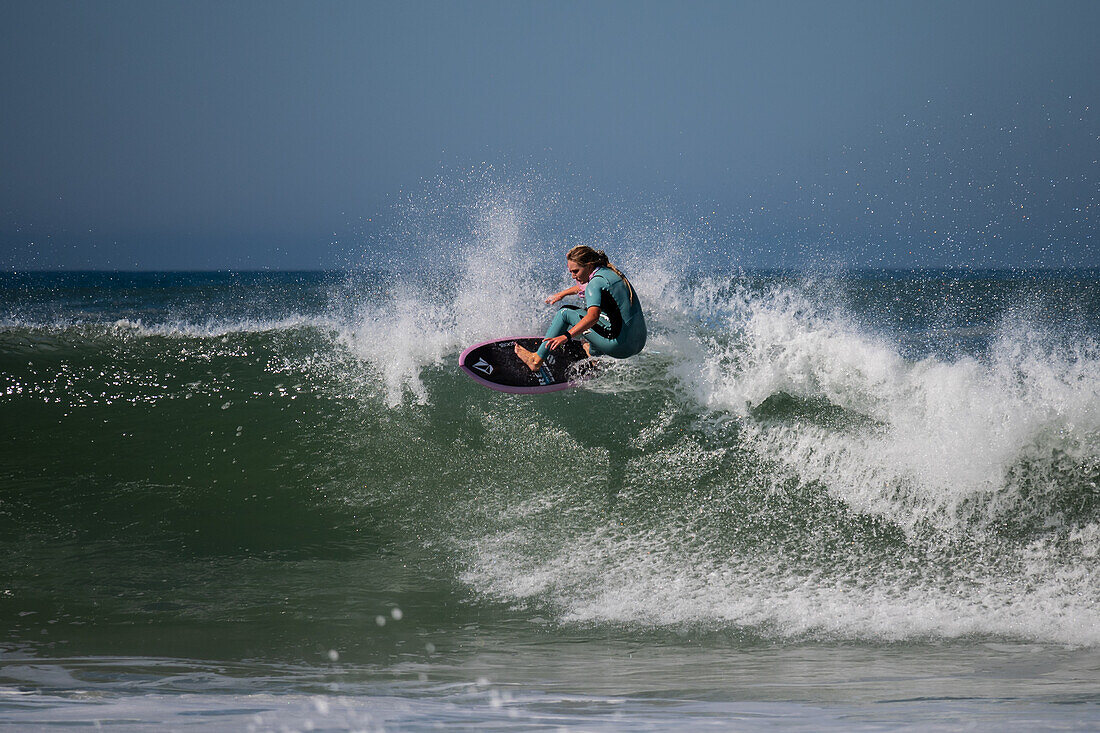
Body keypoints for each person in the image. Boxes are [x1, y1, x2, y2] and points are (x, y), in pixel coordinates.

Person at [515, 246, 647, 371]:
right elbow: (585, 287)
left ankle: (536, 360)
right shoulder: (610, 273)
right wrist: (561, 294)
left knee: (565, 312)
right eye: (571, 271)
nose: (573, 276)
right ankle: (594, 355)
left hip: (620, 347)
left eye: (575, 271)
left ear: (588, 266)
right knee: (586, 314)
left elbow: (593, 317)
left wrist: (566, 335)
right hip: (638, 343)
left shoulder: (594, 284)